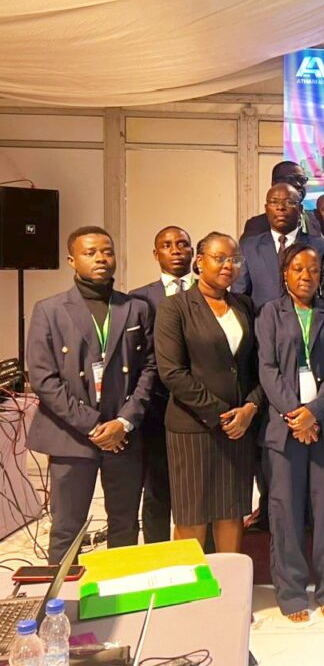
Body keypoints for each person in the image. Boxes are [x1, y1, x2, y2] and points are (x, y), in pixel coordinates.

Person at [27, 226, 155, 562]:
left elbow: (150, 369)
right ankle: (65, 593)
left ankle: (120, 592)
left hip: (124, 437)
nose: (101, 258)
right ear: (72, 260)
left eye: (107, 251)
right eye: (90, 252)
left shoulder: (136, 308)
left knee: (125, 525)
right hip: (71, 436)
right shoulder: (49, 310)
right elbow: (43, 378)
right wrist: (95, 426)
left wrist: (123, 423)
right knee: (67, 528)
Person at [256, 243, 324, 622]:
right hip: (284, 428)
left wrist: (314, 412)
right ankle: (292, 591)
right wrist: (295, 416)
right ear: (284, 273)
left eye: (313, 269)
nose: (306, 276)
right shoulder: (270, 313)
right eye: (297, 269)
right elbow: (267, 369)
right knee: (285, 510)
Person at [155, 232, 264, 553]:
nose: (229, 265)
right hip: (193, 428)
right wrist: (221, 414)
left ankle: (228, 581)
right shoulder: (175, 307)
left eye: (235, 260)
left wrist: (250, 408)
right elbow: (172, 372)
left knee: (231, 511)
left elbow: (258, 367)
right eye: (220, 258)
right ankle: (189, 584)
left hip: (239, 428)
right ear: (200, 261)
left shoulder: (245, 305)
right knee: (193, 515)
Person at [129, 226, 194, 544]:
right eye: (167, 245)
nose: (176, 250)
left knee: (197, 488)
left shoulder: (211, 291)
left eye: (183, 244)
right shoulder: (138, 299)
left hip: (200, 403)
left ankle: (203, 554)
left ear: (193, 252)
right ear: (156, 254)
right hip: (156, 404)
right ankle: (157, 554)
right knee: (157, 486)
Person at [236, 184, 324, 309]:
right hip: (261, 319)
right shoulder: (249, 247)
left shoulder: (321, 247)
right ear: (266, 208)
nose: (280, 207)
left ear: (300, 208)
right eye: (274, 202)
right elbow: (239, 295)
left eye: (289, 202)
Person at [241, 160, 322, 239]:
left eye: (301, 180)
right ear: (274, 184)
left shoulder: (317, 220)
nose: (297, 184)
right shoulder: (257, 225)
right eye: (290, 179)